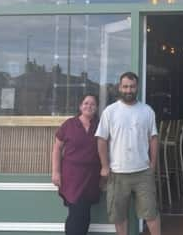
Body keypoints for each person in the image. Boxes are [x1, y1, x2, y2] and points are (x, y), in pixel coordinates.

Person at [96, 72, 161, 235]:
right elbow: (101, 140)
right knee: (119, 216)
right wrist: (104, 166)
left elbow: (153, 139)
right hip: (117, 173)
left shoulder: (147, 111)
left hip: (142, 172)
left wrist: (153, 164)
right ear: (119, 87)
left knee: (151, 213)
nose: (128, 90)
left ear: (137, 87)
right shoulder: (110, 112)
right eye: (125, 86)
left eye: (132, 86)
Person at [52, 94, 102, 235]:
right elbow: (57, 148)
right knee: (76, 212)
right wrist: (56, 172)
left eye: (92, 104)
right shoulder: (69, 124)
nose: (89, 106)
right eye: (86, 103)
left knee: (85, 213)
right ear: (80, 106)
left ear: (96, 107)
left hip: (91, 176)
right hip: (72, 176)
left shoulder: (100, 125)